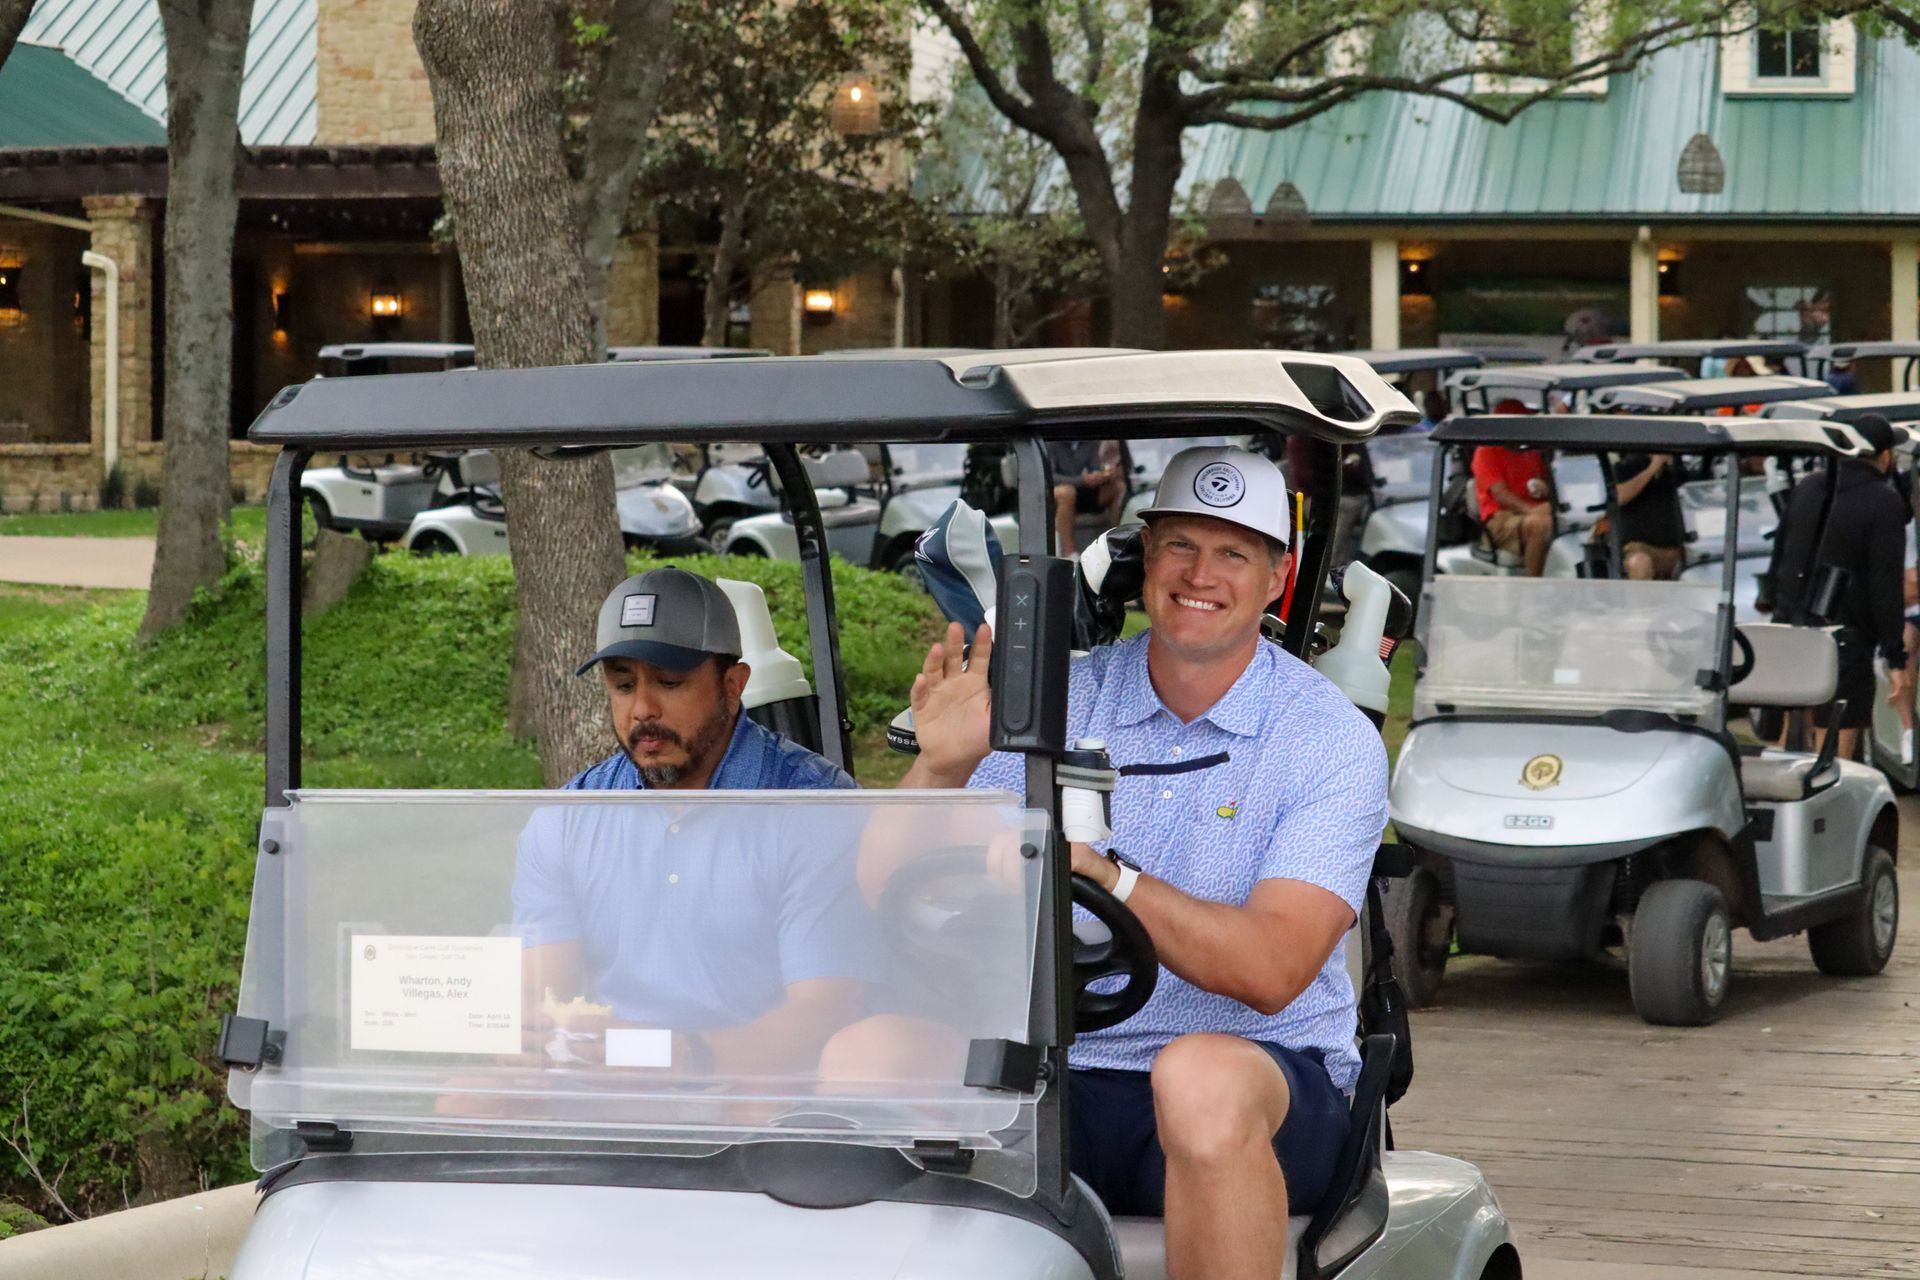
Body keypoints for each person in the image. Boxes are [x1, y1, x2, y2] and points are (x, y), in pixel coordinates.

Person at [901, 445, 1388, 1280]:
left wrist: (1108, 876)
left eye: (1233, 553)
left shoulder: (1327, 738)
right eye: (1181, 546)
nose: (1202, 573)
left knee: (1197, 1078)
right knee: (876, 1050)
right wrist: (940, 768)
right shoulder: (1064, 692)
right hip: (1061, 1076)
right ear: (1147, 556)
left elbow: (1273, 967)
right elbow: (881, 889)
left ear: (1276, 576)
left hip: (1262, 1080)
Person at [511, 567, 875, 1076]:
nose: (642, 708)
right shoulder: (570, 816)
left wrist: (678, 1058)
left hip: (754, 1083)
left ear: (732, 685)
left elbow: (824, 1015)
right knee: (469, 1096)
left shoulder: (814, 809)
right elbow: (543, 999)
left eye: (670, 682)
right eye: (622, 684)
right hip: (610, 1078)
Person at [1768, 413, 1913, 760]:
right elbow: (1885, 585)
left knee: (1790, 738)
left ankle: (1781, 806)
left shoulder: (1809, 487)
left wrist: (1776, 607)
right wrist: (1895, 659)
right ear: (1885, 456)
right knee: (1835, 759)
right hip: (1845, 639)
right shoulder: (1884, 502)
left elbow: (1780, 553)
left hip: (1791, 626)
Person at [1472, 399, 1555, 576]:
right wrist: (1532, 511)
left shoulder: (1529, 449)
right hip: (1501, 518)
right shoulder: (1487, 450)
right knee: (1540, 524)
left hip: (1533, 509)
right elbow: (1501, 495)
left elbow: (1545, 482)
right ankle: (1533, 585)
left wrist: (1545, 488)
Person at [1607, 453, 1686, 580]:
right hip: (1640, 548)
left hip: (1677, 550)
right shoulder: (1627, 466)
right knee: (1639, 562)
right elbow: (1618, 497)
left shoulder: (1681, 468)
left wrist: (1672, 466)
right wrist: (1652, 469)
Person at [1050, 438, 1126, 557]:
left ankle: (1117, 541)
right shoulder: (1051, 442)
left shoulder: (1090, 442)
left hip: (1086, 491)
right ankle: (1069, 552)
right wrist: (1081, 481)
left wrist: (1103, 475)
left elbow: (1095, 468)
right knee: (1067, 493)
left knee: (1117, 488)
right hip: (1059, 493)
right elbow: (1050, 476)